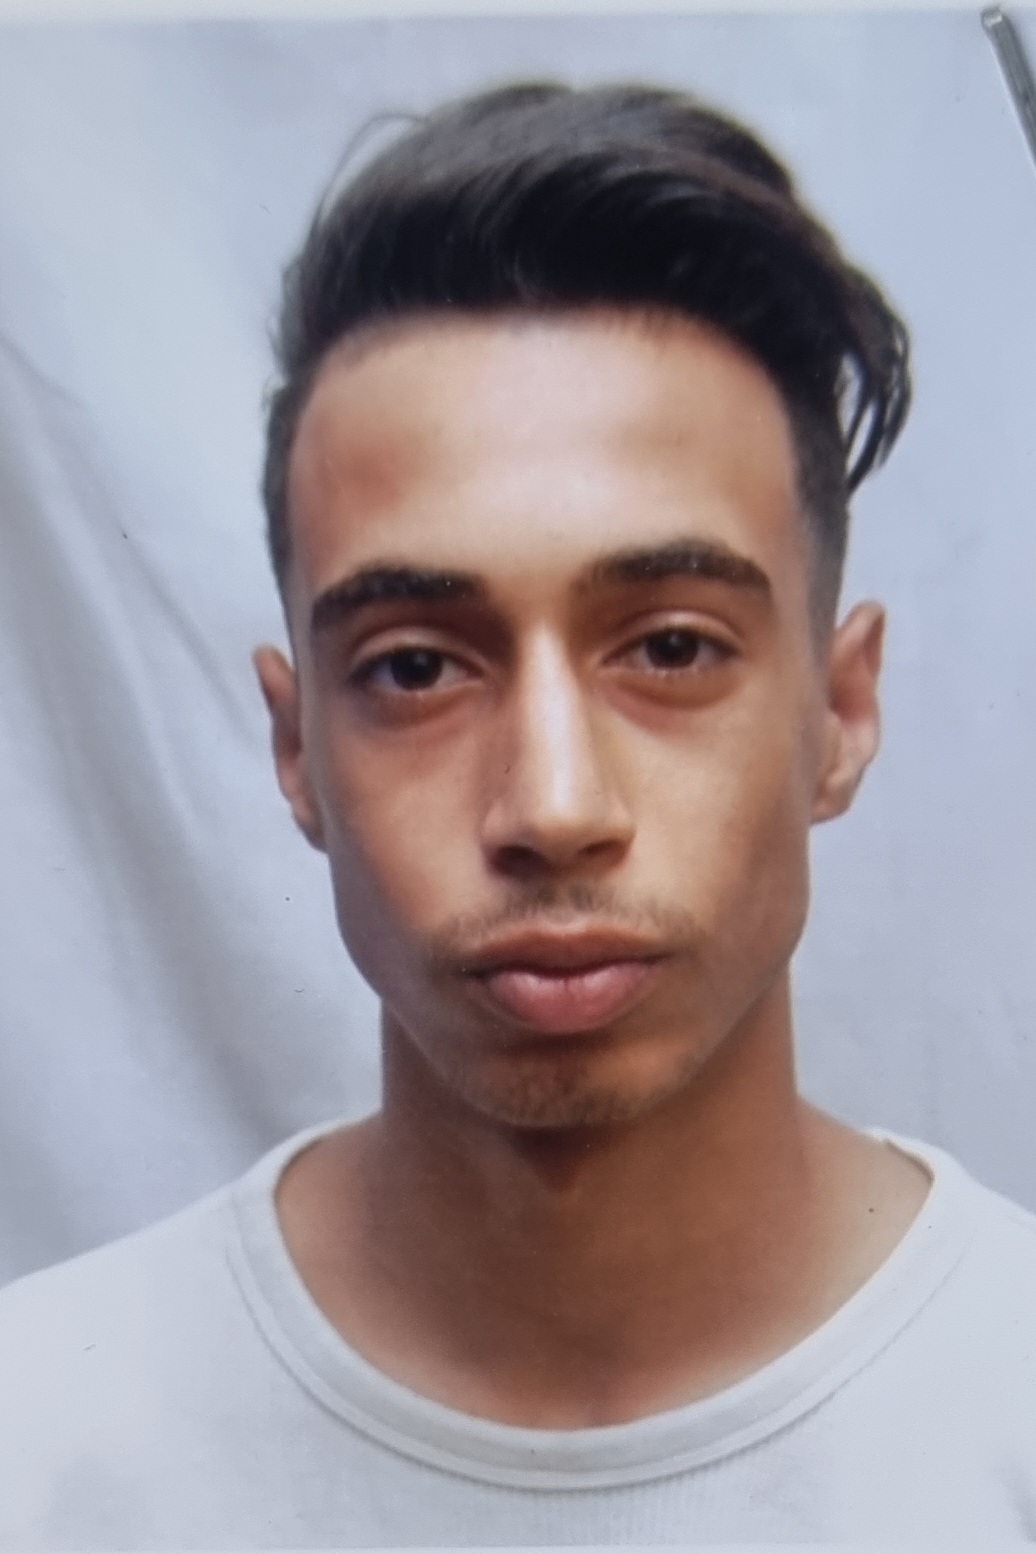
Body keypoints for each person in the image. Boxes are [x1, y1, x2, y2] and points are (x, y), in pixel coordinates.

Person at [2, 80, 1034, 1548]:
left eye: (669, 647)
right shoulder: (38, 1443)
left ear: (841, 713)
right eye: (417, 667)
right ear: (297, 748)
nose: (553, 806)